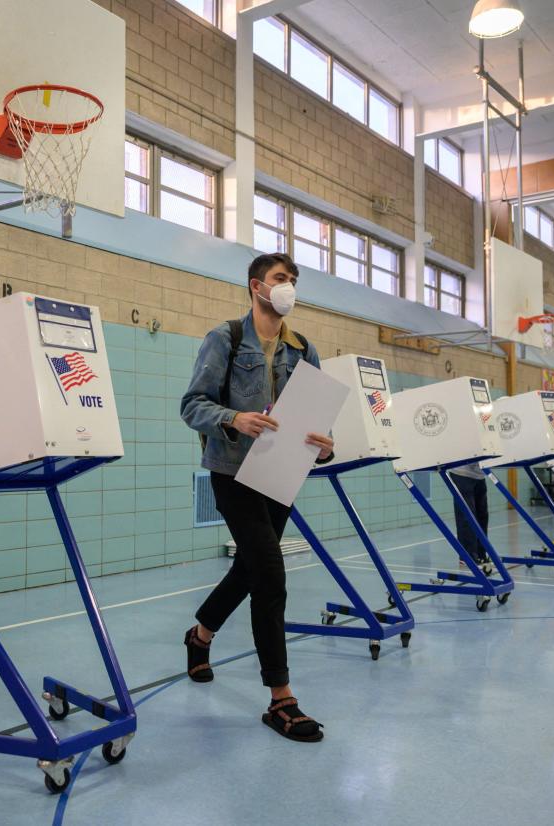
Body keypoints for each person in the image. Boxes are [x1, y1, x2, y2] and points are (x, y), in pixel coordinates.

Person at [179, 252, 334, 743]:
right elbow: (191, 405)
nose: (288, 286)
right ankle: (281, 699)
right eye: (280, 278)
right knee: (269, 572)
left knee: (249, 568)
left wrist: (325, 445)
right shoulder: (225, 338)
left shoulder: (304, 349)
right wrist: (233, 417)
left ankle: (199, 635)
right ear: (256, 286)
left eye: (293, 279)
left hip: (281, 473)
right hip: (233, 471)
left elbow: (316, 422)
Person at [449, 462, 491, 569]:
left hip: (479, 474)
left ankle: (481, 553)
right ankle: (467, 557)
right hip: (462, 474)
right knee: (467, 517)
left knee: (482, 516)